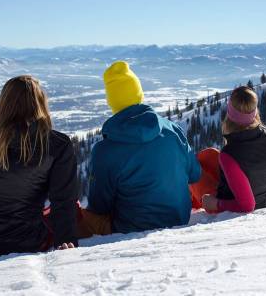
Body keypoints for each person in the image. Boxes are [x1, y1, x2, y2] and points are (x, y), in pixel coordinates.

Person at [0, 76, 78, 260]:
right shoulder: (56, 144)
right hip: (27, 241)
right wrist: (67, 243)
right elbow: (63, 201)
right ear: (40, 103)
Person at [79, 61, 201, 237]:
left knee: (76, 217)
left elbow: (99, 206)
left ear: (111, 101)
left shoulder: (105, 150)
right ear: (139, 93)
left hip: (128, 229)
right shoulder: (173, 130)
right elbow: (195, 174)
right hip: (178, 219)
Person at [190, 86, 266, 213]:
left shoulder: (230, 154)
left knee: (191, 166)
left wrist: (216, 204)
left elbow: (247, 206)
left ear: (230, 113)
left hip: (232, 204)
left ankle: (190, 203)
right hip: (263, 199)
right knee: (209, 155)